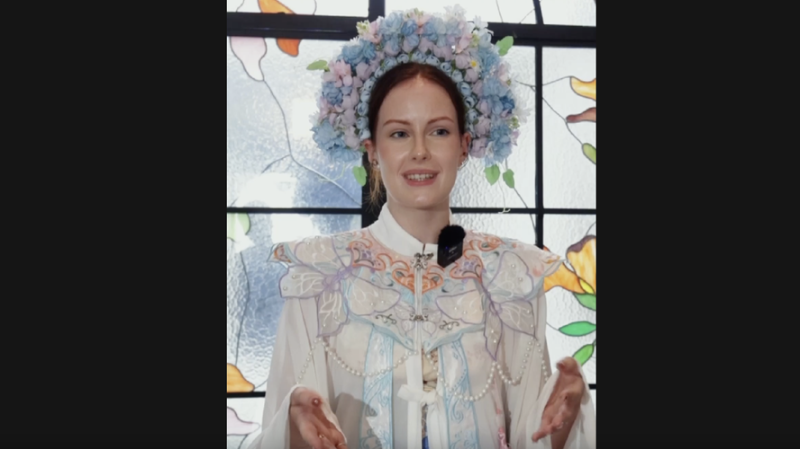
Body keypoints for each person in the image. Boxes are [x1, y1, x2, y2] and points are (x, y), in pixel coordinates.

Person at [249, 7, 595, 449]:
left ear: (464, 146)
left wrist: (568, 416)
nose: (419, 152)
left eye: (439, 132)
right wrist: (292, 425)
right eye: (398, 134)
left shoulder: (509, 278)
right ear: (372, 151)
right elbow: (290, 429)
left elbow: (536, 436)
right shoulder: (319, 278)